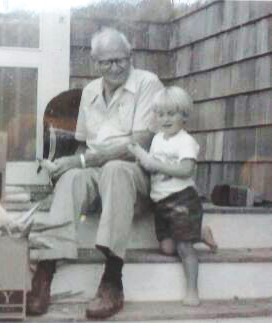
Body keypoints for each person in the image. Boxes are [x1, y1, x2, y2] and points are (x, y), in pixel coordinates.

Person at [27, 27, 164, 319]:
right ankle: (45, 272)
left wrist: (80, 162)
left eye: (120, 60)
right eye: (107, 62)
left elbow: (138, 144)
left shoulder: (148, 84)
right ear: (96, 62)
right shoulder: (90, 91)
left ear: (131, 56)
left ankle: (113, 279)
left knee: (114, 169)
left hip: (135, 177)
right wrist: (63, 168)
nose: (115, 67)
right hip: (97, 175)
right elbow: (82, 148)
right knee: (72, 177)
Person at [127, 86, 217, 306]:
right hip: (161, 203)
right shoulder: (158, 139)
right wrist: (141, 159)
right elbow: (153, 168)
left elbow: (186, 170)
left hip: (182, 199)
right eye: (160, 114)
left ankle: (192, 290)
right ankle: (200, 232)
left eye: (172, 114)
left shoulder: (185, 141)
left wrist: (154, 163)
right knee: (168, 248)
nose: (165, 119)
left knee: (185, 248)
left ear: (184, 116)